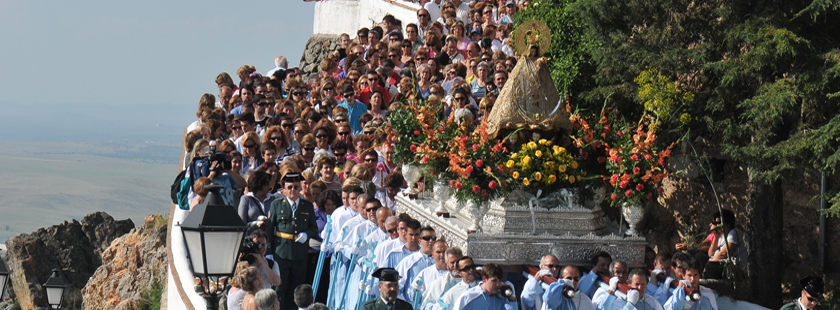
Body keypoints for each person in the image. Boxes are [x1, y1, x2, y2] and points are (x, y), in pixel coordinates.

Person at [265, 172, 319, 310]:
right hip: (281, 253)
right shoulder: (277, 205)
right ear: (284, 188)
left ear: (300, 188)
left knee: (297, 289)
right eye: (289, 187)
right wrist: (269, 251)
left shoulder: (307, 206)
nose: (292, 191)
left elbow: (314, 227)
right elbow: (269, 230)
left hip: (300, 254)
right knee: (280, 288)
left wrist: (307, 235)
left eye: (295, 187)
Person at [395, 226, 438, 304]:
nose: (431, 241)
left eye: (433, 238)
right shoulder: (409, 261)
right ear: (420, 241)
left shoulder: (439, 263)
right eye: (427, 238)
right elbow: (397, 285)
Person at [452, 263, 517, 310]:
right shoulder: (468, 297)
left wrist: (512, 297)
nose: (498, 284)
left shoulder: (501, 298)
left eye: (499, 281)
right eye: (494, 281)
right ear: (484, 279)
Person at [408, 240, 449, 308]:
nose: (442, 255)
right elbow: (414, 298)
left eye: (444, 252)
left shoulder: (455, 274)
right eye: (438, 252)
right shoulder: (425, 274)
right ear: (433, 254)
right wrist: (414, 290)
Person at [705, 209, 745, 279]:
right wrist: (716, 236)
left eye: (719, 222)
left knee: (711, 267)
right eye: (716, 223)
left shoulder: (733, 233)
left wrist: (710, 264)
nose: (717, 225)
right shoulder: (723, 236)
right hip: (725, 267)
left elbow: (724, 254)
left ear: (728, 223)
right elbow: (710, 253)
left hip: (736, 269)